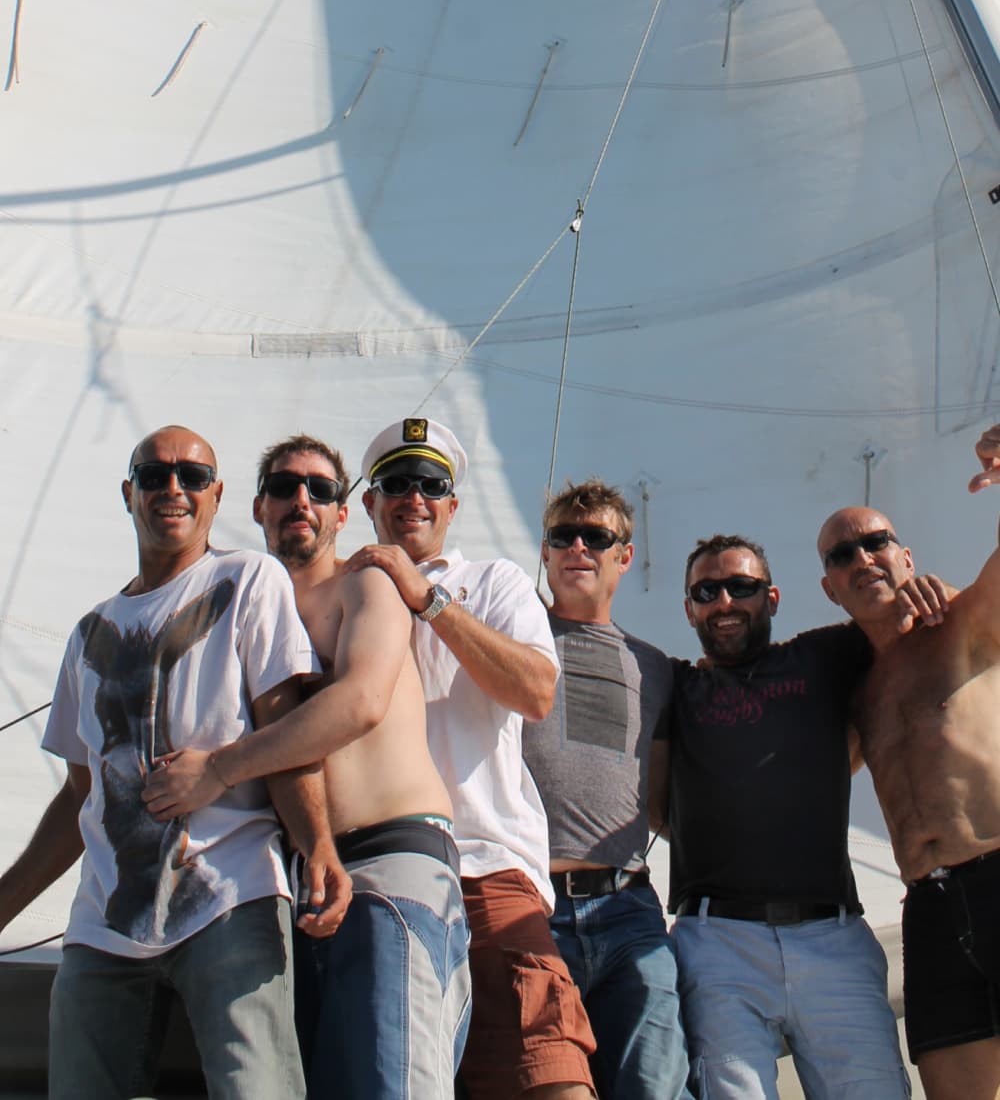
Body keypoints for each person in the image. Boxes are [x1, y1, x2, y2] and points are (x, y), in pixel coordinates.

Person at [0, 425, 347, 1100]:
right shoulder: (88, 631)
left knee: (257, 1089)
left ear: (217, 495)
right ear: (127, 492)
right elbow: (82, 796)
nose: (172, 487)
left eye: (192, 475)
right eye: (153, 474)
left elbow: (286, 732)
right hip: (104, 920)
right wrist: (5, 901)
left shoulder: (248, 577)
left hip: (230, 894)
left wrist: (318, 845)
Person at [144, 432, 471, 1100]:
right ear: (258, 507)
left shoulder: (365, 585)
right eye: (286, 487)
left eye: (321, 489)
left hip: (392, 869)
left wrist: (221, 767)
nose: (302, 499)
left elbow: (359, 701)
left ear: (342, 514)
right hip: (292, 894)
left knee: (394, 1083)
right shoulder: (238, 616)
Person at [341, 416, 597, 1100]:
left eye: (432, 484)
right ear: (368, 502)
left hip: (487, 871)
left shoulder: (495, 582)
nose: (414, 497)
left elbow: (537, 689)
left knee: (549, 1077)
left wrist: (428, 598)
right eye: (396, 482)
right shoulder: (335, 596)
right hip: (373, 878)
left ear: (453, 505)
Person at [668, 531, 909, 1099]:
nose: (724, 602)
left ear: (771, 598)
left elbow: (900, 613)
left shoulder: (825, 656)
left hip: (833, 936)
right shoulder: (672, 684)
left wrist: (921, 582)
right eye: (707, 592)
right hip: (718, 942)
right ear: (688, 609)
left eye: (741, 587)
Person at [818, 425, 1000, 1100]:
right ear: (830, 586)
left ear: (904, 554)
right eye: (844, 553)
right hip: (929, 904)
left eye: (876, 542)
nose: (864, 557)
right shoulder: (853, 689)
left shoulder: (964, 622)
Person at [521, 478, 692, 1100]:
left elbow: (662, 801)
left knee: (655, 1086)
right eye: (562, 536)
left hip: (628, 910)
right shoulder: (512, 644)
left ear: (625, 555)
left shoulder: (658, 670)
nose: (578, 548)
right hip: (531, 909)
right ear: (544, 553)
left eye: (597, 538)